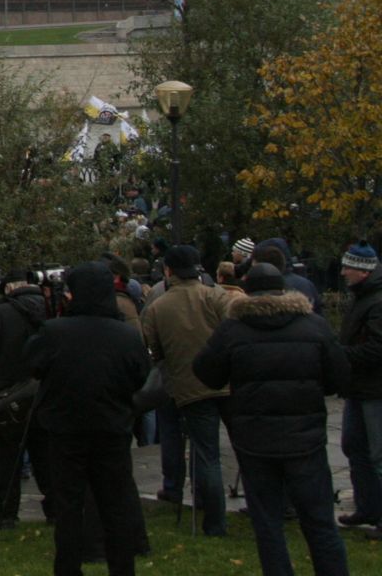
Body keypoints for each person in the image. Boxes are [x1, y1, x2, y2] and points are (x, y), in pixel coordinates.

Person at [193, 261, 350, 576]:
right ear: (284, 288)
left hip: (255, 440)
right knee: (319, 521)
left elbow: (205, 372)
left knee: (267, 523)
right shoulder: (314, 325)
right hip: (304, 438)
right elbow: (340, 378)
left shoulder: (233, 330)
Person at [26, 262, 151, 576]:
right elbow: (140, 376)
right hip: (112, 427)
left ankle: (68, 567)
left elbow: (34, 364)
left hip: (66, 429)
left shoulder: (55, 332)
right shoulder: (125, 334)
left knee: (69, 506)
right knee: (115, 504)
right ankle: (122, 568)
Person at [141, 244, 233, 537]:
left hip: (190, 387)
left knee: (207, 456)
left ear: (168, 271)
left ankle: (214, 522)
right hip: (228, 384)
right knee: (231, 452)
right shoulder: (218, 297)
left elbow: (152, 351)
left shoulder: (158, 307)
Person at [0, 270, 49, 524]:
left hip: (7, 393)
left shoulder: (1, 313)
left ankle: (5, 512)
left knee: (7, 461)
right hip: (41, 391)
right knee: (44, 455)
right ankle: (57, 508)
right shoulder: (49, 308)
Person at [337, 241, 382, 536]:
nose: (342, 272)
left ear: (363, 272)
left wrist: (340, 355)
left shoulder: (376, 302)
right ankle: (367, 506)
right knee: (354, 447)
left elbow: (378, 348)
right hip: (359, 388)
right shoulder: (362, 297)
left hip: (375, 390)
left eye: (348, 267)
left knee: (378, 455)